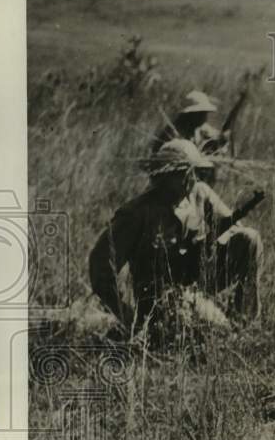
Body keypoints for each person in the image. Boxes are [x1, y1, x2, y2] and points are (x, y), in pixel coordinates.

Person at [88, 139, 261, 344]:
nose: (190, 179)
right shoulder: (136, 214)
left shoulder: (199, 193)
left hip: (198, 280)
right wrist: (128, 316)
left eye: (191, 172)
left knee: (250, 239)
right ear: (163, 175)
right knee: (209, 334)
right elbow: (101, 267)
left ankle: (242, 323)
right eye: (182, 173)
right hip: (159, 301)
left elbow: (232, 228)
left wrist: (208, 245)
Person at [151, 90, 229, 158]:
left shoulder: (199, 127)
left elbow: (216, 135)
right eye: (201, 113)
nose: (204, 117)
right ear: (190, 114)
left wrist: (222, 138)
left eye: (205, 113)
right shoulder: (174, 132)